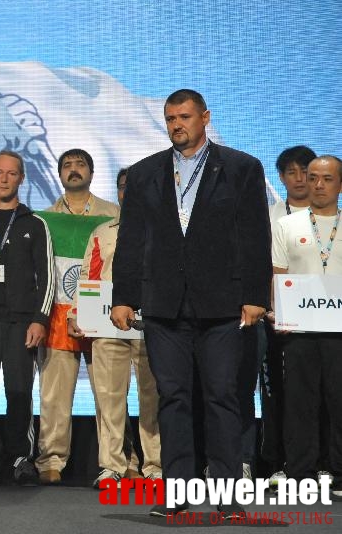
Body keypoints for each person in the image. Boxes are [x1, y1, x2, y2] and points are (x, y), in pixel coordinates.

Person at [111, 89, 271, 517]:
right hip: (163, 306)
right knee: (173, 398)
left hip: (221, 305)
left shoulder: (241, 168)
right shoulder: (146, 173)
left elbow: (256, 236)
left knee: (222, 397)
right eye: (170, 118)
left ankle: (227, 495)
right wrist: (123, 297)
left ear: (205, 117)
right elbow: (130, 241)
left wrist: (256, 295)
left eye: (184, 116)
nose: (177, 124)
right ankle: (177, 496)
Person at [67, 168, 161, 487]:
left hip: (152, 325)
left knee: (153, 396)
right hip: (107, 322)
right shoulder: (103, 231)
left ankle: (154, 466)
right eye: (123, 187)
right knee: (109, 396)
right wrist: (78, 312)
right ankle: (112, 466)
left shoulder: (164, 232)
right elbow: (88, 276)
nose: (128, 192)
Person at [0, 150, 54, 487]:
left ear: (21, 178)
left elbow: (47, 276)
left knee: (19, 391)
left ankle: (21, 458)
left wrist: (40, 319)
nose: (4, 179)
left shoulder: (35, 223)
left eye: (12, 173)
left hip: (21, 323)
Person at [35, 148, 119, 484]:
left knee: (109, 393)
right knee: (54, 394)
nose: (73, 170)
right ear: (59, 174)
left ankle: (116, 461)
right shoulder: (43, 219)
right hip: (58, 315)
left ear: (91, 172)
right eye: (67, 165)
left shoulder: (113, 215)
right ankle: (51, 460)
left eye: (80, 164)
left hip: (103, 314)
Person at [269, 154, 342, 498]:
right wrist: (280, 313)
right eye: (313, 178)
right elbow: (278, 275)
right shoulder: (287, 226)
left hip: (340, 331)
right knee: (299, 402)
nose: (317, 184)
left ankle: (339, 473)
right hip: (298, 329)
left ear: (340, 184)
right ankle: (300, 473)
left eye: (327, 178)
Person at [261, 145, 316, 487]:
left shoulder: (333, 219)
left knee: (322, 394)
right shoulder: (268, 216)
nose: (299, 179)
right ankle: (279, 462)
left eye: (304, 171)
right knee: (278, 394)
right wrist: (273, 309)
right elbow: (262, 267)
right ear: (280, 177)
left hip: (326, 321)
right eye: (291, 172)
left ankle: (324, 464)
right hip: (278, 320)